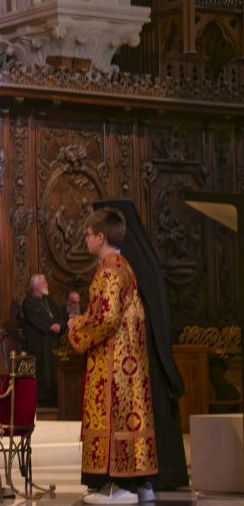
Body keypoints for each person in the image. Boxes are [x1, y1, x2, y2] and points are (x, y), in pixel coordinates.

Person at [92, 198, 189, 489]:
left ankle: (139, 481)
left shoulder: (119, 268)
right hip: (142, 360)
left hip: (135, 365)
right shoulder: (133, 265)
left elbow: (111, 319)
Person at [67, 209, 158, 505]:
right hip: (128, 361)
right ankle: (141, 482)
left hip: (113, 364)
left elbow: (105, 318)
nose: (86, 240)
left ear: (100, 237)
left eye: (88, 235)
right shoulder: (124, 266)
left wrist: (75, 325)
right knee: (131, 415)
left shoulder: (109, 270)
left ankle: (119, 486)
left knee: (116, 416)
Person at [21, 274, 65, 407]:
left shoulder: (49, 301)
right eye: (44, 282)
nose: (47, 284)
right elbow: (36, 318)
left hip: (52, 342)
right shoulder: (29, 302)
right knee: (41, 370)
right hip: (38, 343)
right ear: (35, 286)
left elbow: (59, 315)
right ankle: (41, 400)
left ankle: (53, 398)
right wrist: (51, 326)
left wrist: (60, 325)